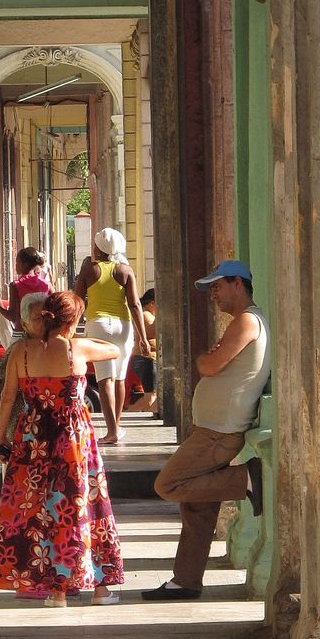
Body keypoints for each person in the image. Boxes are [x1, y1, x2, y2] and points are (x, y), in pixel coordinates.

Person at [0, 290, 125, 606]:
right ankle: (99, 588)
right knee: (81, 505)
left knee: (37, 511)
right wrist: (78, 332)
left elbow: (7, 398)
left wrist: (1, 438)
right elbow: (113, 350)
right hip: (73, 438)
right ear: (73, 320)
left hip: (33, 437)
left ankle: (54, 590)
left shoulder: (20, 351)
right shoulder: (79, 348)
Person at [141, 260, 269, 601]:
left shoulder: (246, 320)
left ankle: (246, 480)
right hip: (213, 427)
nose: (212, 294)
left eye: (217, 286)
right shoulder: (244, 322)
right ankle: (186, 581)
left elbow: (211, 364)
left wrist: (204, 360)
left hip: (219, 431)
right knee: (197, 507)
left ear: (238, 284)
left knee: (168, 484)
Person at [74, 227, 151, 446]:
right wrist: (143, 338)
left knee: (104, 379)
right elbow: (135, 304)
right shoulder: (125, 271)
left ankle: (111, 431)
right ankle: (116, 426)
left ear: (99, 248)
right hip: (123, 327)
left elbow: (77, 301)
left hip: (98, 326)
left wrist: (70, 329)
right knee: (119, 378)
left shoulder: (89, 270)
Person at [0, 289, 48, 431]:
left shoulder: (56, 346)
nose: (45, 322)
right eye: (38, 318)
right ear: (24, 324)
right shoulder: (17, 352)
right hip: (25, 428)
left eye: (47, 316)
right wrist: (2, 438)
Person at [0, 247, 51, 338]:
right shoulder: (46, 285)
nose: (15, 265)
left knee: (11, 352)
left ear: (24, 264)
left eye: (17, 262)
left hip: (21, 334)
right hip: (42, 335)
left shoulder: (16, 285)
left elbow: (12, 316)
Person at [126, 286, 158, 413]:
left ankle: (129, 414)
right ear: (152, 303)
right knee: (151, 396)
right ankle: (127, 415)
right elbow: (151, 332)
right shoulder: (146, 315)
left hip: (145, 359)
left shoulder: (145, 314)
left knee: (153, 395)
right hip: (146, 359)